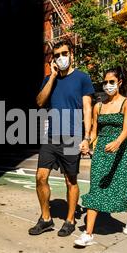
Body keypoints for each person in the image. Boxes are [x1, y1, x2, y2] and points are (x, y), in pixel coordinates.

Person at [74, 67, 127, 247]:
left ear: (119, 83)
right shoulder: (98, 106)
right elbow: (93, 132)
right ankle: (88, 233)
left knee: (125, 186)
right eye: (105, 82)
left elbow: (126, 129)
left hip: (120, 152)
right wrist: (86, 142)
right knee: (96, 188)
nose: (107, 85)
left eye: (111, 82)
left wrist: (117, 142)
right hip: (101, 153)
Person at [29, 39, 94, 237]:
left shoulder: (82, 78)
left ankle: (70, 219)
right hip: (50, 136)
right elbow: (40, 102)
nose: (60, 58)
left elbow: (87, 108)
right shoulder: (50, 78)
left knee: (70, 180)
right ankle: (46, 219)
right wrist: (52, 77)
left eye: (64, 54)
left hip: (72, 136)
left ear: (71, 54)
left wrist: (87, 137)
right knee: (40, 177)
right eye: (56, 55)